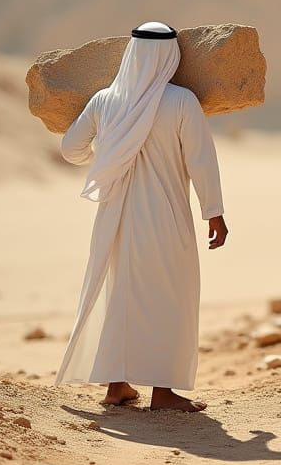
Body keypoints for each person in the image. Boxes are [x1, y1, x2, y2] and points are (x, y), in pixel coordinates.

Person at [56, 22, 228, 413]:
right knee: (170, 299)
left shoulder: (105, 100)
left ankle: (117, 386)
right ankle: (163, 393)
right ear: (171, 55)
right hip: (166, 217)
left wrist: (103, 154)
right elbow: (201, 161)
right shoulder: (181, 101)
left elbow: (70, 148)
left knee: (120, 294)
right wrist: (213, 212)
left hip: (114, 215)